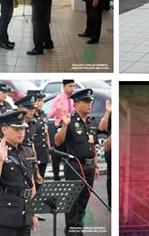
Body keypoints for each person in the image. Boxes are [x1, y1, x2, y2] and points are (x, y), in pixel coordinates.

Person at [0, 111, 39, 236]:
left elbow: (31, 184)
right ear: (4, 129)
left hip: (24, 212)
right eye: (16, 129)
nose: (21, 132)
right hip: (5, 215)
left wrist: (33, 212)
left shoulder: (27, 151)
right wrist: (0, 161)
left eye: (23, 128)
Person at [55, 89, 99, 234]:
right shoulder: (70, 120)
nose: (89, 104)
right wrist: (65, 125)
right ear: (76, 103)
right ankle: (71, 230)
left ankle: (78, 228)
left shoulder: (91, 122)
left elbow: (93, 147)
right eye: (86, 101)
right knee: (73, 201)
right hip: (75, 166)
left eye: (90, 101)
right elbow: (58, 142)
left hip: (90, 167)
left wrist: (96, 166)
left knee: (84, 200)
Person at [48, 80, 76, 181]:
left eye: (74, 86)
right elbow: (50, 115)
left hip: (70, 127)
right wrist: (57, 109)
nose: (72, 88)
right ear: (64, 87)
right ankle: (57, 178)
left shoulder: (73, 100)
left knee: (68, 153)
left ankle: (68, 176)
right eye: (70, 86)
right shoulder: (58, 99)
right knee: (57, 155)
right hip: (60, 126)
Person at [98, 99, 111, 207]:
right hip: (110, 147)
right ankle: (111, 203)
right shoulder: (111, 112)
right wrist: (107, 112)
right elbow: (102, 127)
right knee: (110, 177)